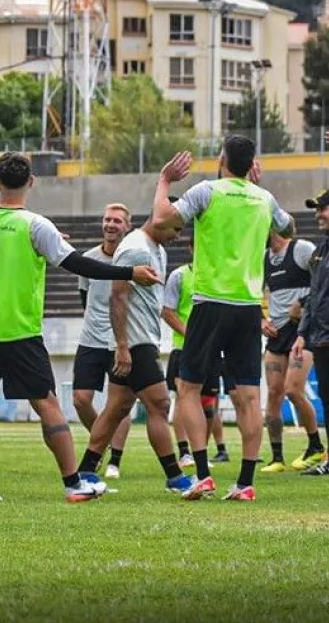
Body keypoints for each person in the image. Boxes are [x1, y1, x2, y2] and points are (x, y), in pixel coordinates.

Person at [0, 152, 160, 502]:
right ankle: (73, 483)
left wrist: (50, 238)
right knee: (48, 404)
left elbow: (2, 247)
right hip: (17, 329)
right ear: (32, 181)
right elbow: (80, 264)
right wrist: (130, 272)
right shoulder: (36, 225)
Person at [153, 135, 294, 501]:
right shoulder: (264, 198)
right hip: (248, 307)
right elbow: (288, 229)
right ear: (252, 165)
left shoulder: (207, 191)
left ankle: (202, 474)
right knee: (249, 396)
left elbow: (163, 218)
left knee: (188, 389)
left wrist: (164, 182)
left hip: (210, 302)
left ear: (222, 159)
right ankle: (246, 482)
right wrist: (256, 189)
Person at [76, 215, 194, 495]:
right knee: (160, 404)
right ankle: (175, 477)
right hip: (134, 342)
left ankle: (85, 472)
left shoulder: (157, 250)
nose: (177, 235)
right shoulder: (135, 248)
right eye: (176, 229)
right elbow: (117, 296)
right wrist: (122, 346)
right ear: (160, 220)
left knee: (117, 407)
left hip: (144, 339)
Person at [72, 203, 134, 479]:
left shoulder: (132, 257)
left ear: (127, 227)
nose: (111, 224)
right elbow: (85, 300)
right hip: (90, 339)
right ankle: (103, 441)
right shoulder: (88, 258)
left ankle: (114, 462)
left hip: (119, 340)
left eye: (118, 221)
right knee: (80, 399)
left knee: (117, 403)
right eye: (107, 219)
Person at [295, 190, 329, 477]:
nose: (318, 214)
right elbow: (314, 295)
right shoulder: (320, 250)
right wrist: (303, 333)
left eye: (323, 209)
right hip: (320, 337)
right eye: (316, 209)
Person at [260, 231, 325, 474]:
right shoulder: (263, 257)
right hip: (276, 333)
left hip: (303, 330)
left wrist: (303, 303)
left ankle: (316, 446)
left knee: (293, 390)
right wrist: (261, 319)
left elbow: (325, 281)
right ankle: (277, 457)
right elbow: (249, 289)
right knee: (274, 394)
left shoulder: (302, 249)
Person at [162, 242, 230, 468]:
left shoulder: (219, 276)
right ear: (191, 249)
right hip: (184, 348)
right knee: (183, 398)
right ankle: (184, 452)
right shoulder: (178, 276)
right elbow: (168, 312)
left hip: (211, 351)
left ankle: (201, 449)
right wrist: (192, 336)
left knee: (209, 403)